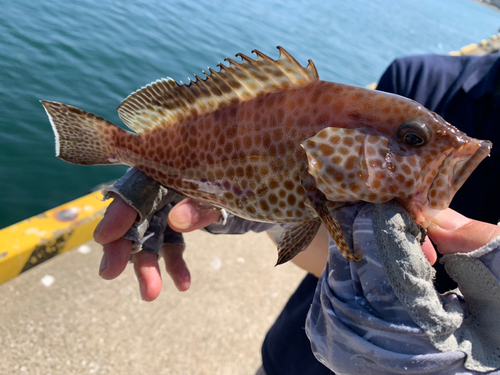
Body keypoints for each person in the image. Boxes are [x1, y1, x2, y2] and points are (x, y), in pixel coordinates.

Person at [94, 52, 500, 374]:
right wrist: (237, 210)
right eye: (412, 140)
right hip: (293, 356)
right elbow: (325, 244)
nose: (460, 151)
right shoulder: (420, 78)